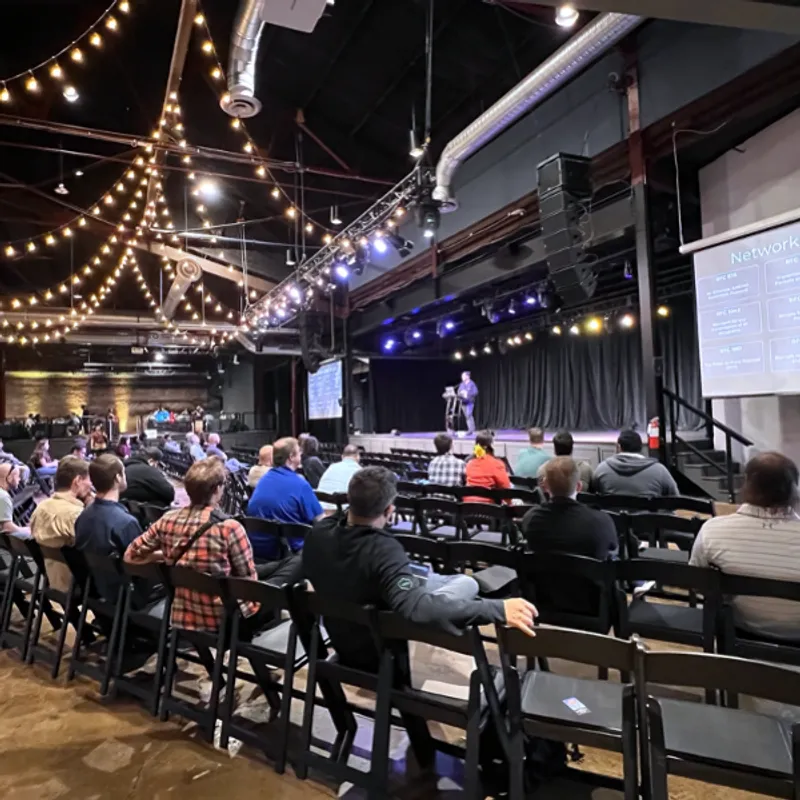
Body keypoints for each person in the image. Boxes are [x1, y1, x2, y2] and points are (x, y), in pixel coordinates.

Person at [302, 466, 537, 673]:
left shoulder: (319, 534)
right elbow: (418, 609)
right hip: (380, 644)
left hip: (346, 629)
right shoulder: (384, 550)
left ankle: (439, 581)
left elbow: (341, 521)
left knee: (439, 577)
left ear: (350, 501)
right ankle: (461, 585)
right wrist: (497, 608)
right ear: (389, 511)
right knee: (466, 583)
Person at [124, 459, 301, 638]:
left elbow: (130, 556)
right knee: (298, 563)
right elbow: (248, 582)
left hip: (185, 613)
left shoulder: (167, 520)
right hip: (228, 618)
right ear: (217, 489)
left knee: (280, 565)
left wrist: (164, 555)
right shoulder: (229, 527)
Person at [690, 452, 800, 640]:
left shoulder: (712, 530)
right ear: (794, 490)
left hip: (739, 632)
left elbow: (698, 584)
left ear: (746, 485)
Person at [74, 455, 142, 602]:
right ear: (118, 478)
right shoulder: (125, 522)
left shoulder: (82, 518)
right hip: (128, 596)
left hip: (100, 592)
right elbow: (142, 568)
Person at [522, 458, 618, 560]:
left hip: (542, 575)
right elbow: (611, 548)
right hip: (587, 575)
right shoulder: (601, 521)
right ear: (579, 486)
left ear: (545, 485)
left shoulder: (530, 519)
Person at [247, 437, 323, 559]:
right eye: (299, 451)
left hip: (259, 552)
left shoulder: (263, 481)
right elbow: (320, 520)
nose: (301, 454)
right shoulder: (300, 484)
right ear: (291, 457)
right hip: (290, 555)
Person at [30, 457, 93, 592]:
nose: (90, 484)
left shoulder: (40, 508)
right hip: (81, 585)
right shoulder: (75, 514)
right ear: (77, 481)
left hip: (54, 581)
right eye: (88, 479)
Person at [592, 429, 678, 496]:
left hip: (613, 518)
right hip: (650, 518)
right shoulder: (660, 470)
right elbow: (674, 498)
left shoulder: (602, 469)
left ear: (618, 447)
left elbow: (594, 495)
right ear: (641, 447)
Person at [465, 431, 511, 500]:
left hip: (468, 504)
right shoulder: (497, 463)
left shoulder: (469, 462)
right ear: (490, 446)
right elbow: (505, 488)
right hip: (489, 505)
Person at [316, 445, 361, 511]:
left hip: (321, 509)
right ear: (358, 457)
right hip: (342, 512)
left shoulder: (331, 467)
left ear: (342, 457)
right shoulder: (359, 471)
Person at [0, 463, 31, 539]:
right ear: (10, 477)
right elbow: (7, 529)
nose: (19, 479)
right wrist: (27, 530)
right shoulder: (3, 496)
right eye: (17, 476)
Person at [457, 370, 478, 435]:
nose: (462, 377)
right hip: (463, 403)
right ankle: (472, 428)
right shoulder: (461, 384)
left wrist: (468, 393)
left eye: (463, 376)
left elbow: (475, 392)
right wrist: (460, 393)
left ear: (467, 376)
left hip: (469, 402)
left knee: (469, 415)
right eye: (462, 376)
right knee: (467, 416)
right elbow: (458, 392)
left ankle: (471, 430)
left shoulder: (472, 384)